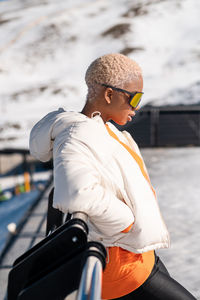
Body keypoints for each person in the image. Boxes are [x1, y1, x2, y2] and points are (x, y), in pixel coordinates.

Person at [29, 53, 196, 300]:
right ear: (109, 94)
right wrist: (127, 222)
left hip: (140, 258)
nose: (137, 107)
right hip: (123, 268)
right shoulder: (78, 134)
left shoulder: (105, 130)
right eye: (134, 98)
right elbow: (76, 193)